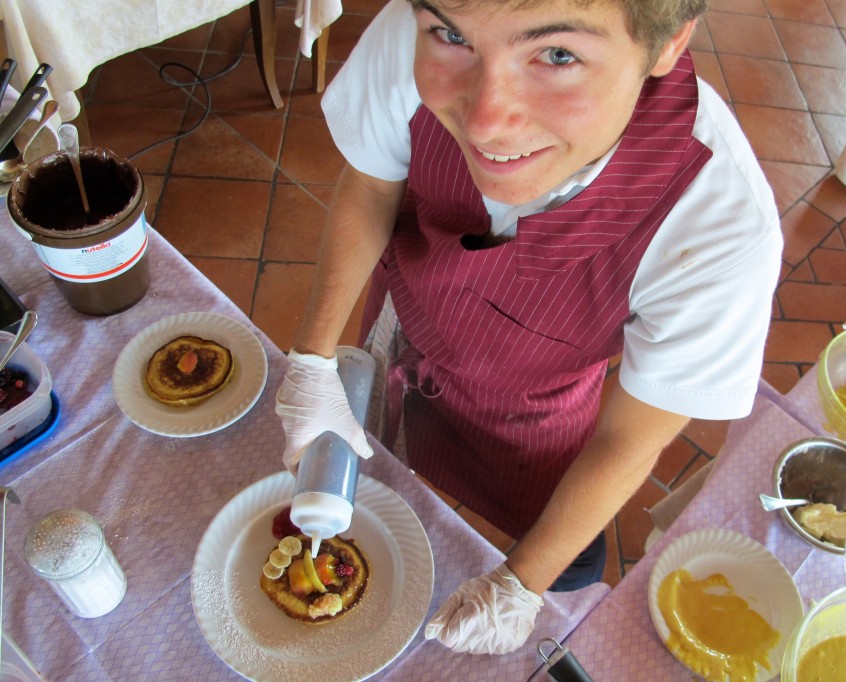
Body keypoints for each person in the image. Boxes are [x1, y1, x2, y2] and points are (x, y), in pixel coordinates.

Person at [274, 0, 782, 656]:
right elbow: (372, 189)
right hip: (403, 335)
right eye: (453, 38)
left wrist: (522, 582)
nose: (486, 121)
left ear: (666, 44)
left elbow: (630, 437)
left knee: (559, 560)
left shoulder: (718, 223)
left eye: (559, 55)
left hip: (531, 428)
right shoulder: (416, 25)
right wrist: (314, 360)